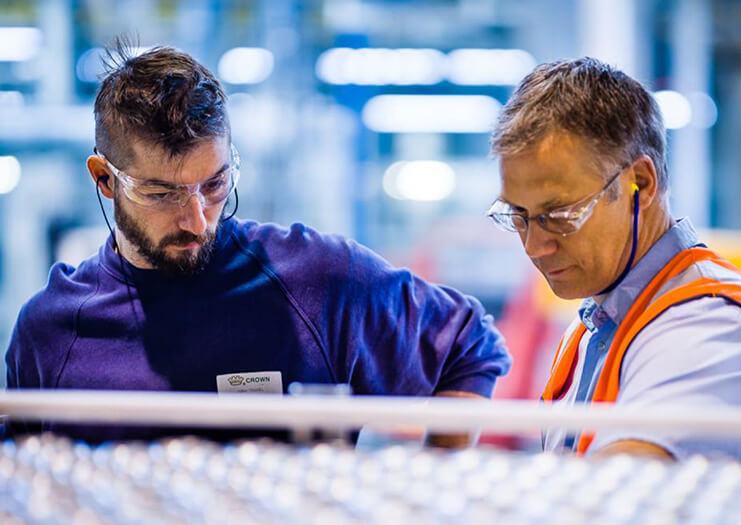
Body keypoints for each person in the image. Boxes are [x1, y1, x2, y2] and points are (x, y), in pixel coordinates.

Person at [4, 43, 510, 443]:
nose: (197, 219)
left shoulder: (317, 282)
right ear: (105, 179)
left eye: (215, 184)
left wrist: (432, 489)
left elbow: (469, 347)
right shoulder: (51, 334)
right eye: (161, 193)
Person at [487, 57, 741, 461]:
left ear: (641, 183)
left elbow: (619, 496)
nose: (534, 246)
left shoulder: (705, 329)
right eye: (518, 216)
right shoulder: (600, 321)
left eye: (562, 215)